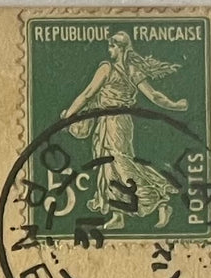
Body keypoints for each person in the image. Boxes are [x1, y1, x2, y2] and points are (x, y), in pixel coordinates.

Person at [60, 32, 189, 230]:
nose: (109, 50)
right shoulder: (132, 70)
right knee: (108, 166)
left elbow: (87, 94)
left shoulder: (107, 68)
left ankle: (160, 199)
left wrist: (69, 114)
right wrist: (175, 105)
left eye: (111, 47)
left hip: (115, 123)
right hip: (113, 122)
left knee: (121, 163)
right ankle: (118, 214)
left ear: (119, 48)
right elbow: (155, 96)